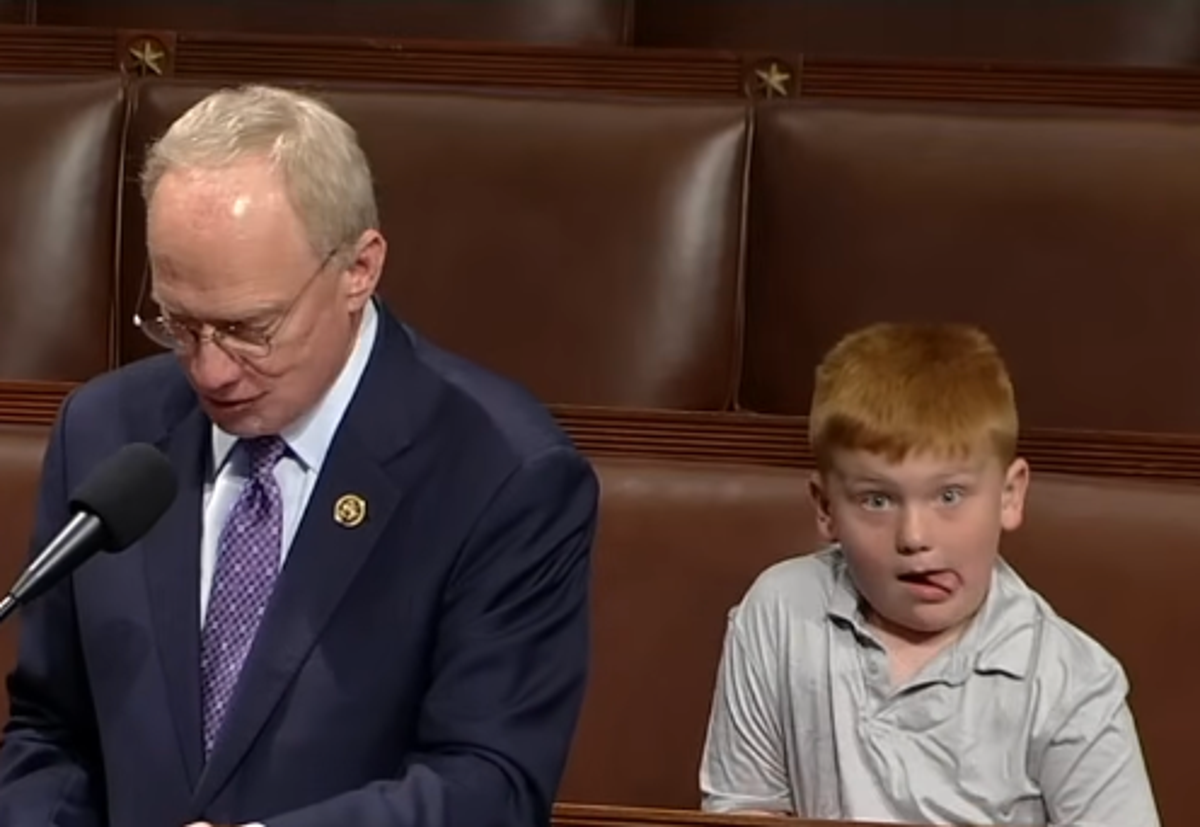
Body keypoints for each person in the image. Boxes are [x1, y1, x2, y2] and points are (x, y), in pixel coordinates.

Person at [0, 84, 599, 827]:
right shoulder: (104, 430)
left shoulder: (502, 475)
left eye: (250, 327)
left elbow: (489, 784)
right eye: (179, 323)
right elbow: (52, 731)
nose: (211, 370)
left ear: (359, 269)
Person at [698, 322, 1160, 825]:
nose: (915, 536)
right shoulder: (779, 612)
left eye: (949, 496)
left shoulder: (1075, 684)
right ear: (826, 507)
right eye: (877, 500)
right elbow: (744, 810)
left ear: (1010, 496)